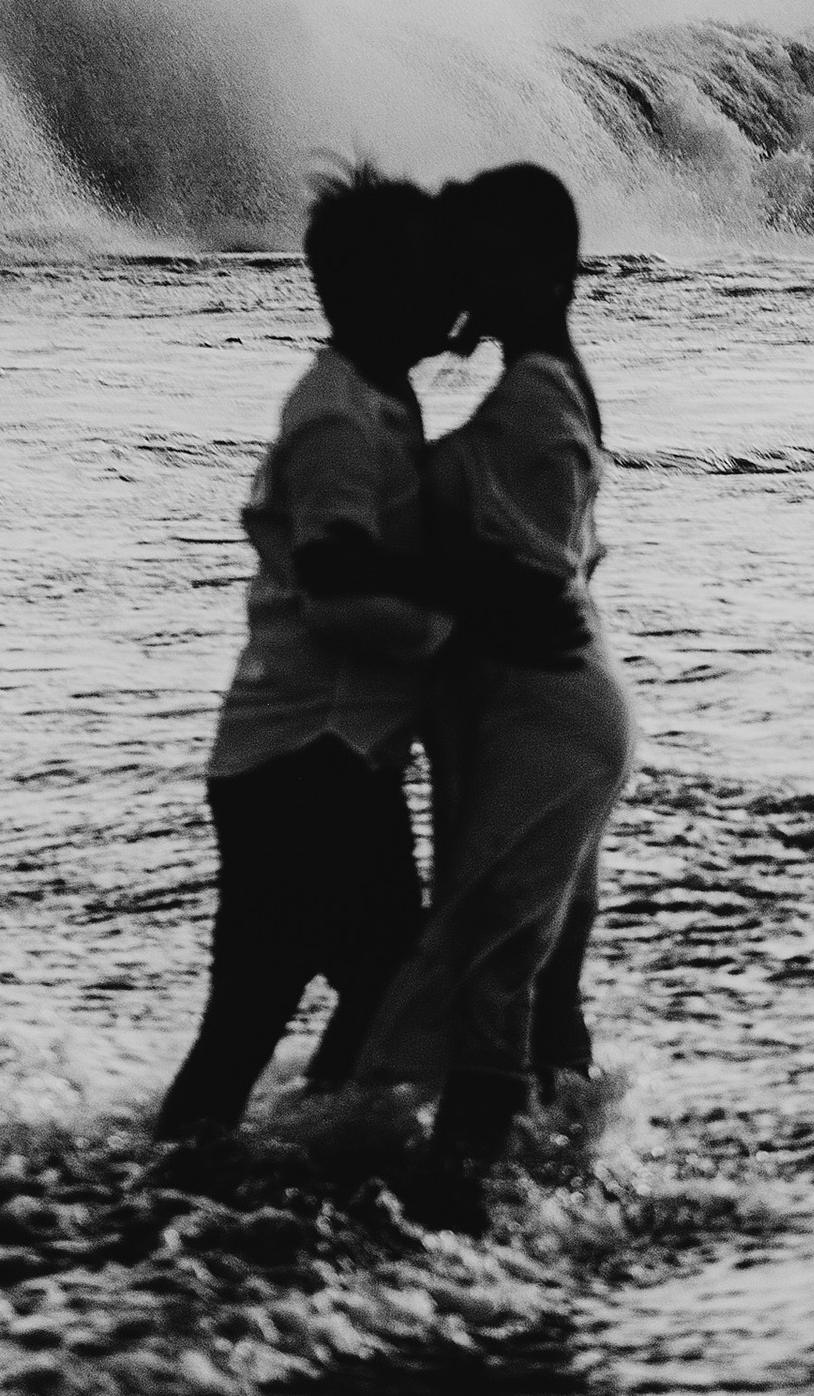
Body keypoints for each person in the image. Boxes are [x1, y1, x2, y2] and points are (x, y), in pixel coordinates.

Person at [153, 167, 460, 1140]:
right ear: (370, 294)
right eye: (429, 275)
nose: (450, 291)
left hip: (308, 758)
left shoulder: (379, 393)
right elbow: (333, 589)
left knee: (293, 999)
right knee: (366, 986)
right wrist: (449, 632)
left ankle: (245, 1149)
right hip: (306, 764)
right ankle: (270, 1154)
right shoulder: (337, 416)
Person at [354, 161, 635, 1213]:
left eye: (479, 258)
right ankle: (568, 1162)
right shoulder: (549, 375)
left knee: (494, 956)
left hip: (543, 706)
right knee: (542, 957)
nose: (461, 277)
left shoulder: (529, 397)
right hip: (559, 699)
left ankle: (469, 1192)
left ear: (542, 270)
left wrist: (355, 554)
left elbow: (509, 578)